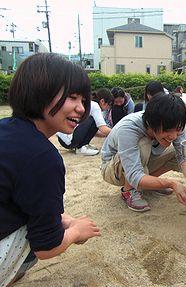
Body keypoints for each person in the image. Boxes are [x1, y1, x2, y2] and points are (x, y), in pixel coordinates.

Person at [0, 53, 101, 287]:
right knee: (41, 232)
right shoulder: (43, 157)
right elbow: (46, 246)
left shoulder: (5, 128)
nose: (81, 108)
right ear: (40, 92)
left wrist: (62, 219)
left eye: (84, 100)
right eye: (72, 97)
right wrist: (76, 231)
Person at [101, 92, 186, 212]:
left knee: (178, 151)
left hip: (141, 163)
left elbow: (182, 156)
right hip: (112, 169)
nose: (173, 136)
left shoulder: (175, 123)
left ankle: (149, 183)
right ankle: (129, 191)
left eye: (178, 130)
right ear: (152, 124)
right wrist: (171, 183)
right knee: (144, 144)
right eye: (168, 130)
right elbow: (133, 175)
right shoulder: (129, 128)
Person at [56, 87, 112, 156]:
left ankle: (83, 145)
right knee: (93, 120)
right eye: (109, 104)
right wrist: (118, 132)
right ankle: (81, 147)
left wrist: (107, 134)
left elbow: (95, 132)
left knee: (94, 122)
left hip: (64, 140)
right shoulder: (95, 106)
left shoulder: (90, 104)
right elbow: (103, 128)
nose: (108, 108)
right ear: (102, 101)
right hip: (70, 140)